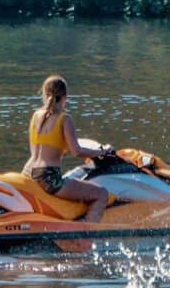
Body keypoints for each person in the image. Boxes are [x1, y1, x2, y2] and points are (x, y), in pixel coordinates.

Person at [22, 75, 112, 223]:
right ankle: (86, 238)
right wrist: (102, 152)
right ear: (65, 97)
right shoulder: (64, 119)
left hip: (28, 172)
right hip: (49, 177)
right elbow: (77, 151)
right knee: (101, 194)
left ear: (44, 95)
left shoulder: (35, 116)